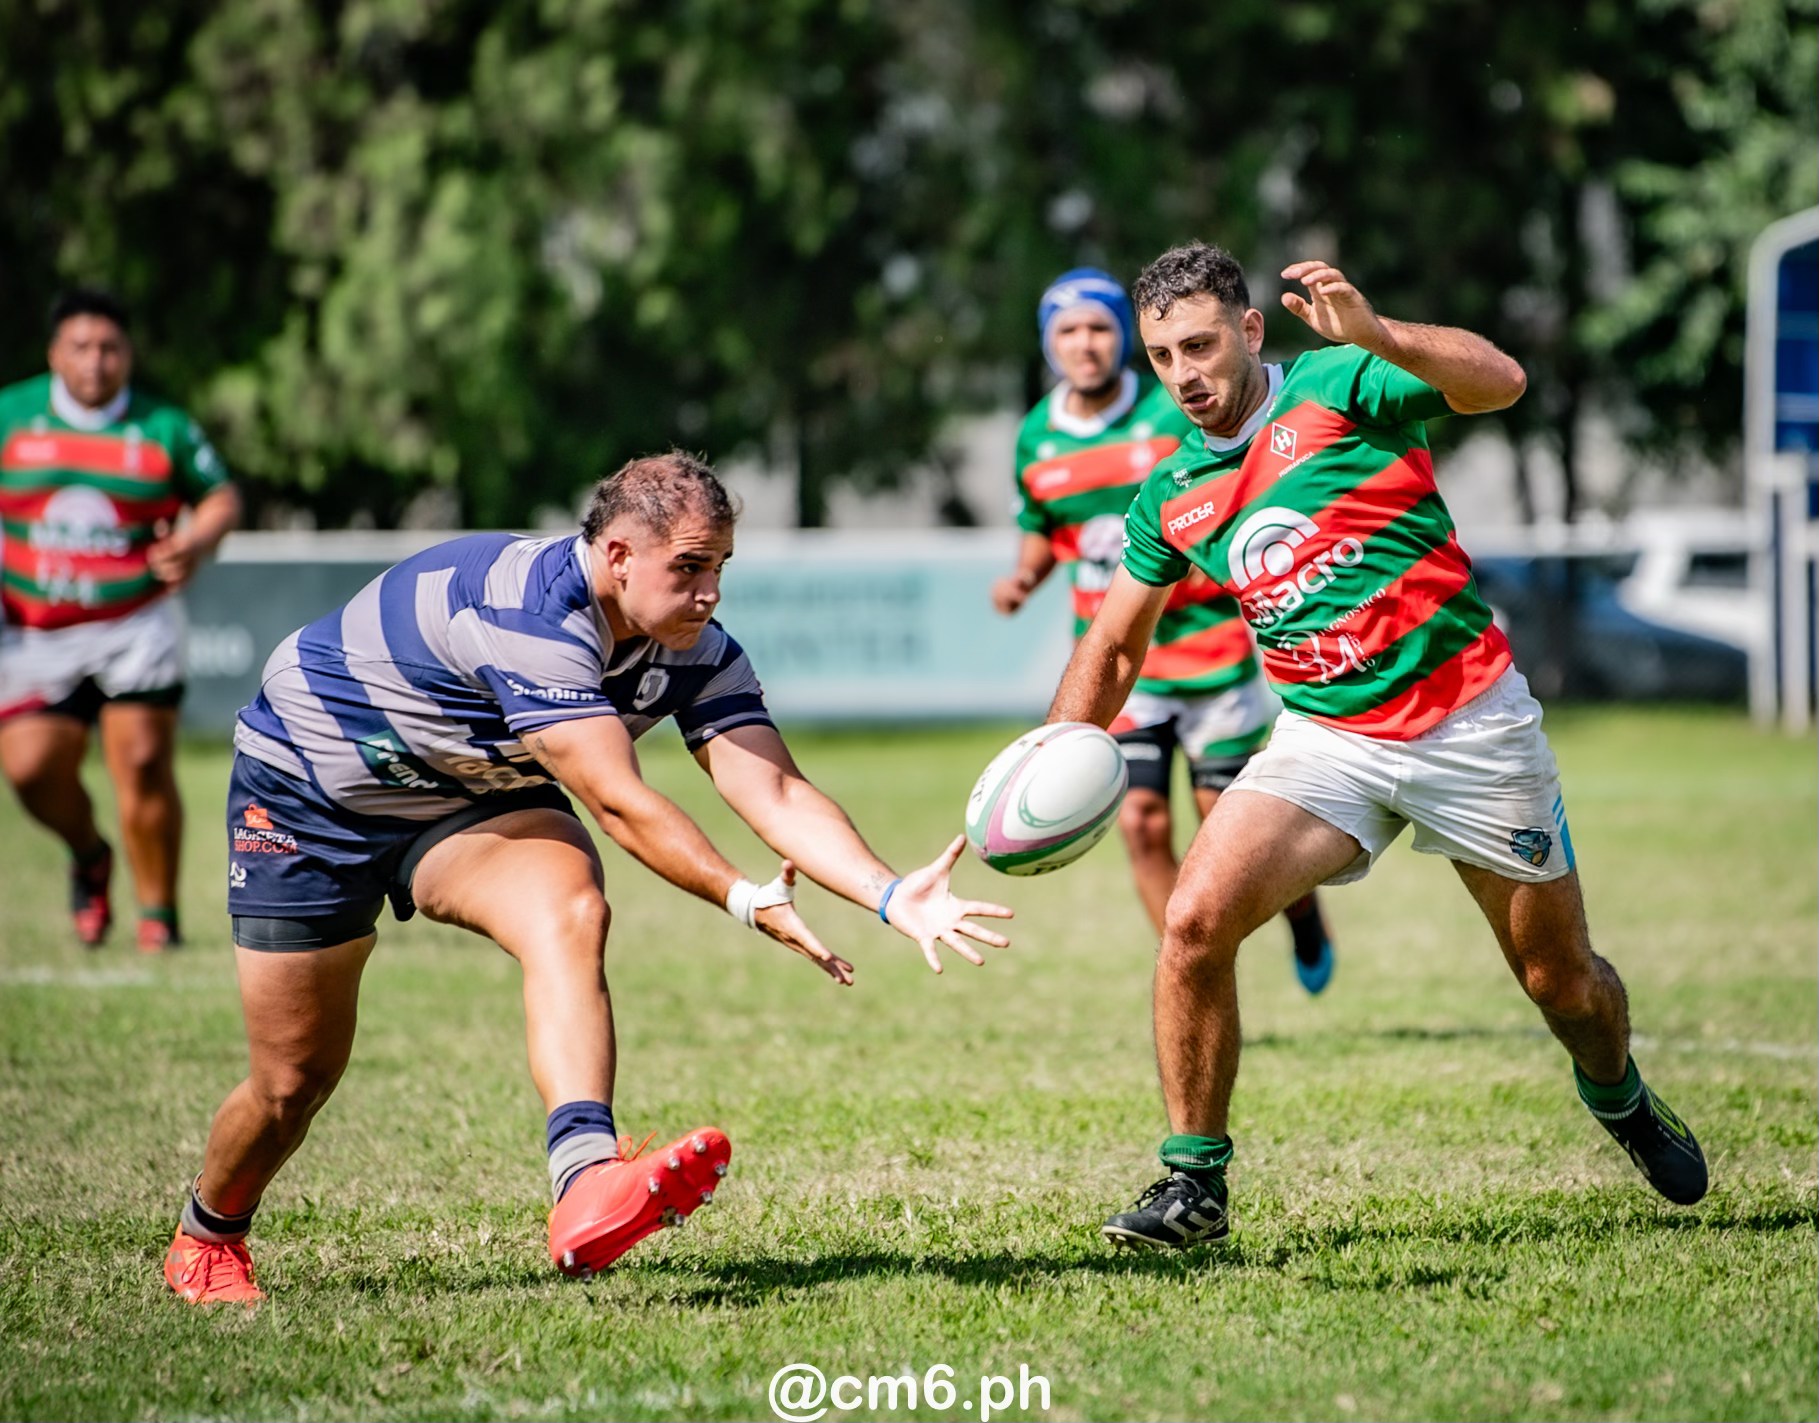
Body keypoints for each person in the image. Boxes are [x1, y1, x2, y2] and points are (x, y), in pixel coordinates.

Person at [163, 451, 1011, 1304]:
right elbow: (615, 800)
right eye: (687, 567)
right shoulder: (530, 612)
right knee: (292, 1080)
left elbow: (775, 788)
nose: (710, 591)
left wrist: (891, 893)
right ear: (617, 556)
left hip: (465, 796)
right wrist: (744, 897)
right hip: (311, 795)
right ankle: (210, 1232)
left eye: (718, 566)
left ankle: (584, 1179)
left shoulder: (696, 650)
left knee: (572, 907)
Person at [1044, 243, 1707, 1250]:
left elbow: (1501, 384)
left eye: (1201, 345)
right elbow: (1113, 639)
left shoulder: (1338, 380)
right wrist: (1054, 753)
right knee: (1191, 924)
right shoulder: (1172, 491)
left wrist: (1383, 333)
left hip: (1469, 723)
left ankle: (1620, 1099)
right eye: (1163, 355)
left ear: (1250, 332)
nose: (1184, 373)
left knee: (1559, 984)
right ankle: (1194, 1185)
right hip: (1325, 739)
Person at [992, 268, 1334, 992]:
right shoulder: (1036, 437)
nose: (1082, 345)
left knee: (1228, 826)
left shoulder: (1175, 407)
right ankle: (1193, 974)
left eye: (1097, 327)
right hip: (1128, 664)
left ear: (1122, 337)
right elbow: (1041, 526)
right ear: (1047, 343)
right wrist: (1023, 577)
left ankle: (1301, 914)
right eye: (1066, 331)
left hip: (1211, 652)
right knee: (1141, 821)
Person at [0, 289, 242, 952]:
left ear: (128, 354)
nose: (96, 361)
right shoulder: (12, 417)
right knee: (28, 768)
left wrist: (196, 540)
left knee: (140, 760)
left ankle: (158, 918)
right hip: (35, 629)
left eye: (110, 348)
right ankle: (88, 852)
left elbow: (221, 497)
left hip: (134, 621)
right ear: (54, 352)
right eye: (80, 346)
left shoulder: (162, 425)